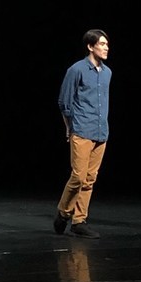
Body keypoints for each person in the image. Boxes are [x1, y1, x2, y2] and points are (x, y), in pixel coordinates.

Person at [53, 29, 112, 239]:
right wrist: (69, 127)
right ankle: (63, 212)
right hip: (82, 129)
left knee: (89, 179)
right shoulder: (76, 70)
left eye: (107, 44)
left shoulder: (107, 72)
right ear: (90, 46)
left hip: (101, 131)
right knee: (78, 176)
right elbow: (64, 101)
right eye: (102, 44)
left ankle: (79, 221)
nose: (106, 48)